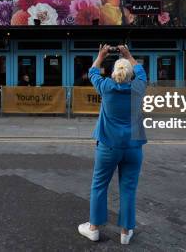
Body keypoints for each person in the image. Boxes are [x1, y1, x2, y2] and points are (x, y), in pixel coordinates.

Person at [78, 44, 146, 245]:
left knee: (99, 186)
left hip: (108, 145)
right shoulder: (138, 87)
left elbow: (92, 71)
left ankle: (94, 228)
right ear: (130, 74)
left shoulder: (106, 87)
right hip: (133, 147)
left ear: (114, 73)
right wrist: (128, 54)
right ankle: (125, 232)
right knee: (128, 188)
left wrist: (101, 55)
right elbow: (141, 71)